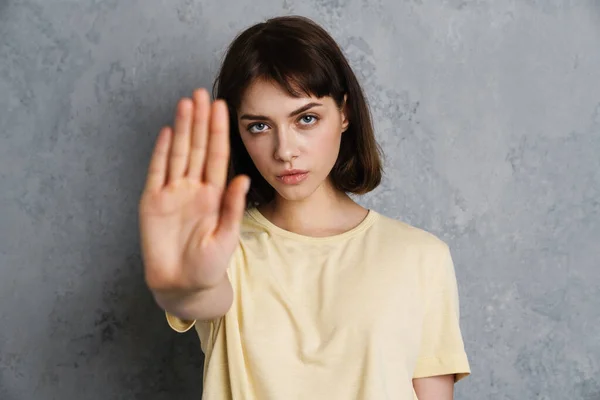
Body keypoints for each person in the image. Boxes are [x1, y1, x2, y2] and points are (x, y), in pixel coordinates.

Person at [138, 15, 470, 400]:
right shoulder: (223, 249)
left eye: (306, 119)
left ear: (344, 113)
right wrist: (182, 284)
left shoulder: (421, 257)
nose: (285, 150)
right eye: (259, 126)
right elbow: (200, 294)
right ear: (238, 133)